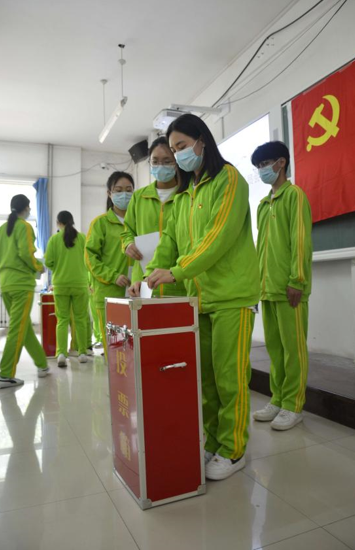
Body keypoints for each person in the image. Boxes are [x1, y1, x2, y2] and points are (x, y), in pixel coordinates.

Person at [136, 113, 259, 481]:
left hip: (232, 296)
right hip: (199, 298)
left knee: (229, 378)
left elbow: (217, 239)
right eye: (174, 150)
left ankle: (234, 450)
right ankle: (213, 441)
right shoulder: (186, 195)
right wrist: (150, 274)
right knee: (205, 378)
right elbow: (169, 242)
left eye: (182, 146)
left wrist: (177, 272)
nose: (178, 156)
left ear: (202, 141)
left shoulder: (229, 180)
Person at [251, 141, 312, 431]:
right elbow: (261, 247)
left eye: (265, 164)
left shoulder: (294, 195)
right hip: (267, 289)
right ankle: (277, 399)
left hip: (290, 289)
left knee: (293, 350)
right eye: (258, 167)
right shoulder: (263, 204)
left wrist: (297, 279)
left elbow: (300, 239)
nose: (262, 170)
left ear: (281, 163)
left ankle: (293, 405)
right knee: (275, 351)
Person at [122, 137, 187, 298]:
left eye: (167, 161)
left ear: (176, 161)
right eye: (155, 161)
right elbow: (127, 231)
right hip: (144, 281)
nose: (161, 166)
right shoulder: (139, 197)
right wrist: (128, 244)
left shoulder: (185, 195)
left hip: (178, 279)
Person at [0, 194, 48, 388]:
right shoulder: (24, 227)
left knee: (24, 327)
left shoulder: (1, 230)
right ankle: (5, 374)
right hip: (21, 285)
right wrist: (39, 267)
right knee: (18, 329)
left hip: (6, 284)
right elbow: (26, 253)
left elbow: (0, 257)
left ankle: (42, 364)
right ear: (26, 208)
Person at [85, 171, 134, 358]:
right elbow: (90, 258)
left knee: (134, 349)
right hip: (109, 293)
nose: (124, 194)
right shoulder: (100, 223)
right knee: (116, 352)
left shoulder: (137, 221)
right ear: (109, 193)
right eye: (119, 190)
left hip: (136, 292)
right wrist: (113, 276)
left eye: (128, 190)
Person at [45, 211, 89, 368]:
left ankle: (61, 354)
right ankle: (82, 352)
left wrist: (59, 267)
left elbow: (48, 262)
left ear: (58, 223)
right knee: (81, 319)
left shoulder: (54, 239)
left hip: (61, 285)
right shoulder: (82, 238)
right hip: (80, 284)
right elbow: (89, 260)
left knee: (62, 320)